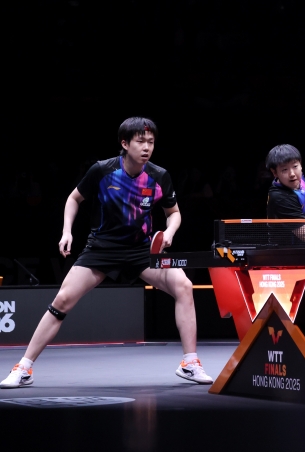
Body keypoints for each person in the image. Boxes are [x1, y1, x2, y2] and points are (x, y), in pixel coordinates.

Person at [0, 117, 213, 389]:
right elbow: (74, 198)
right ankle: (24, 367)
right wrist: (67, 231)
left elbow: (174, 213)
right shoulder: (102, 170)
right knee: (62, 300)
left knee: (183, 285)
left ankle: (190, 363)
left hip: (141, 250)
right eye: (140, 141)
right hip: (102, 248)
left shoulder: (159, 176)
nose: (147, 147)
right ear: (124, 143)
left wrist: (169, 232)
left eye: (151, 142)